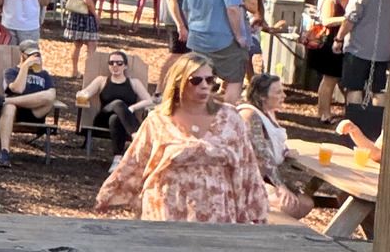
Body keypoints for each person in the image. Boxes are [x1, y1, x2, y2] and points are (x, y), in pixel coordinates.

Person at [96, 55, 268, 223]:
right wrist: (107, 196)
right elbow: (136, 160)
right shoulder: (159, 120)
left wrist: (257, 210)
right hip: (167, 211)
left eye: (210, 80)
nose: (204, 86)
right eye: (196, 80)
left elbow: (247, 164)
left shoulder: (230, 118)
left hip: (217, 213)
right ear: (179, 82)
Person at [180, 0, 251, 103]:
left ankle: (195, 111)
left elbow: (185, 9)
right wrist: (240, 36)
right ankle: (227, 114)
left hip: (197, 40)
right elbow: (233, 9)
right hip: (223, 41)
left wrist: (194, 27)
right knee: (235, 79)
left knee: (198, 79)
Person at [238, 72, 315, 219]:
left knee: (306, 203)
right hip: (245, 181)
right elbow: (263, 156)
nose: (284, 96)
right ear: (262, 96)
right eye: (278, 92)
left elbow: (272, 143)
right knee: (291, 206)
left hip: (263, 177)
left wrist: (284, 151)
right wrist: (281, 186)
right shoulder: (250, 116)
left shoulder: (268, 112)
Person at [335, 0, 390, 112]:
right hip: (384, 53)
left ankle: (354, 120)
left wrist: (338, 38)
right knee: (379, 90)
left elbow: (351, 18)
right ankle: (377, 122)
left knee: (354, 88)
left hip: (358, 50)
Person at [76, 50, 153, 170]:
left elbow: (148, 100)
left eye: (119, 63)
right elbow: (86, 93)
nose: (115, 66)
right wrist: (81, 95)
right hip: (103, 118)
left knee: (115, 119)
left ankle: (117, 159)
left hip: (123, 122)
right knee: (118, 103)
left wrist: (132, 108)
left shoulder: (134, 83)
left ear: (125, 66)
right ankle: (136, 136)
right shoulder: (102, 80)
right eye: (111, 63)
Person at [0, 39, 56, 167]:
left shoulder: (44, 74)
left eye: (37, 55)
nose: (34, 58)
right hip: (15, 113)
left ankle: (3, 101)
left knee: (49, 95)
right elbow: (18, 89)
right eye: (31, 55)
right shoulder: (11, 72)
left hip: (36, 112)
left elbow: (51, 95)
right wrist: (25, 67)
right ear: (22, 55)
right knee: (9, 107)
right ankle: (4, 153)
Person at [303, 0, 351, 125]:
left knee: (342, 81)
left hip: (343, 45)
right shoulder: (331, 1)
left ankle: (349, 113)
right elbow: (326, 20)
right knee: (329, 80)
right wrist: (348, 18)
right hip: (329, 44)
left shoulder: (351, 4)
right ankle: (324, 114)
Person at [62, 0, 101, 79]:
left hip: (76, 16)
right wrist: (95, 14)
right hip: (85, 16)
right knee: (92, 45)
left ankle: (74, 70)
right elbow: (88, 2)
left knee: (77, 44)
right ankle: (90, 72)